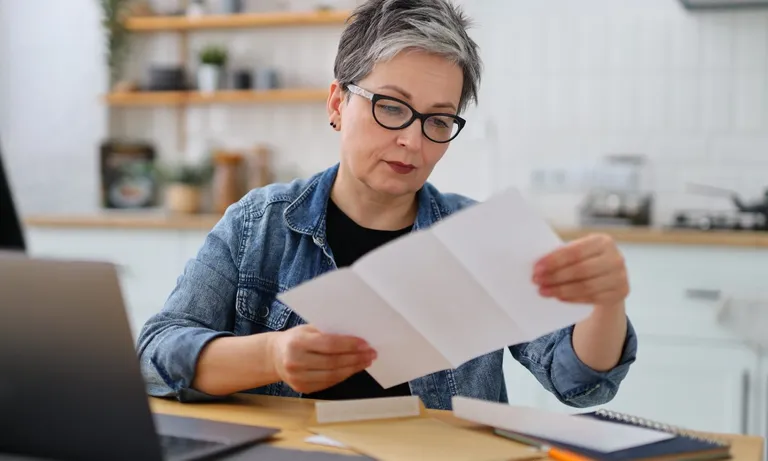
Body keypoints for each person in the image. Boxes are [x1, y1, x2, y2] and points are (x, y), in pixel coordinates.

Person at [137, 0, 637, 411]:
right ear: (337, 104)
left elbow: (579, 382)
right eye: (391, 108)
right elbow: (155, 355)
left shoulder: (480, 238)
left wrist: (606, 302)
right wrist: (270, 354)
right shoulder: (258, 225)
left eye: (438, 120)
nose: (412, 142)